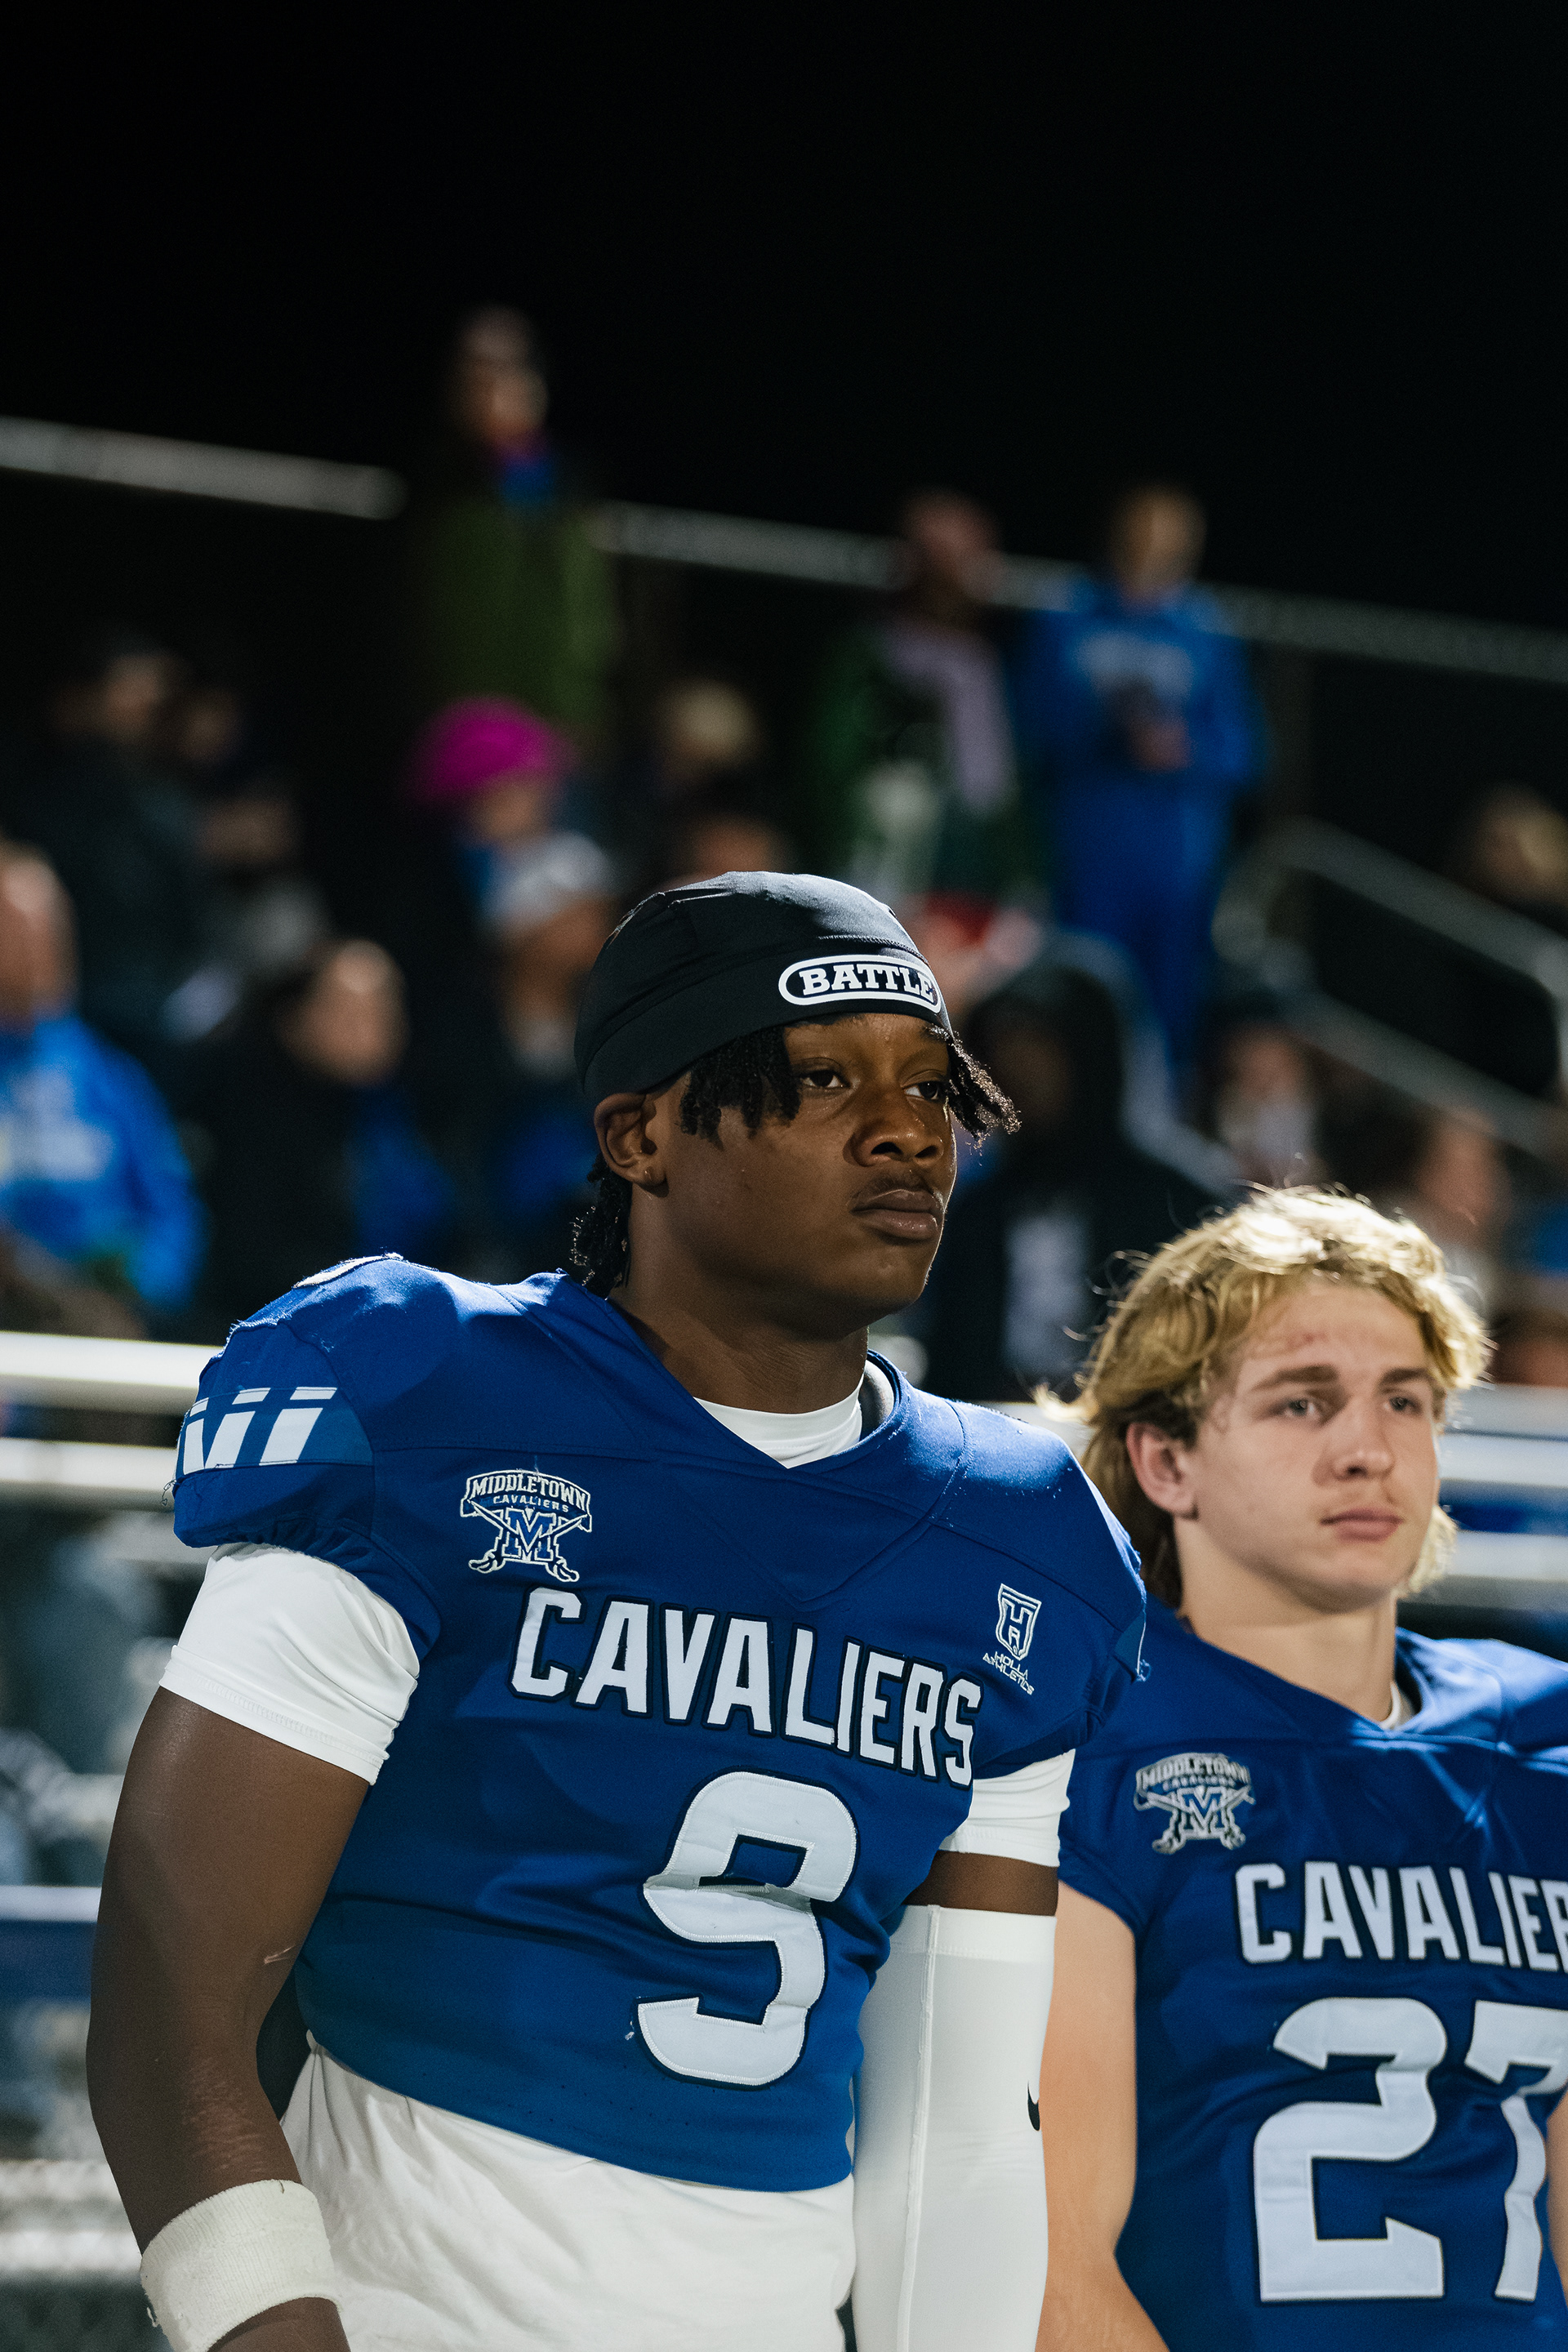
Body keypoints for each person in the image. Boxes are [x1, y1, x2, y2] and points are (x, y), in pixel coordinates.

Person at [88, 872, 1147, 2352]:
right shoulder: (428, 1396)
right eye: (822, 1080)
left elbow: (956, 2130)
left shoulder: (1020, 1538)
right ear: (640, 1135)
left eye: (928, 1085)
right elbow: (168, 2011)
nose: (907, 1132)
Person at [1036, 1187, 1568, 2350]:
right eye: (1302, 1403)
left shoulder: (1545, 1739)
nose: (1369, 1451)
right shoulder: (1086, 1741)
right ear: (1166, 1459)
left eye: (1405, 1401)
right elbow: (1047, 2269)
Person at [1011, 483, 1261, 1064]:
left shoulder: (1207, 630)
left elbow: (1244, 752)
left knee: (1168, 1011)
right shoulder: (1066, 614)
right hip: (1084, 853)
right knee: (1081, 1000)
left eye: (1166, 545)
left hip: (1177, 865)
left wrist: (1185, 749)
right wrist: (1105, 733)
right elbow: (1029, 725)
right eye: (1138, 540)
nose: (1149, 556)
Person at [920, 958, 1220, 1401]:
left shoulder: (1181, 1204)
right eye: (1002, 1047)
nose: (1017, 1067)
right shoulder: (972, 1213)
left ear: (1091, 1056)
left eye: (1040, 1044)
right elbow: (949, 1371)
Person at [189, 940, 455, 1334]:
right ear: (296, 1017)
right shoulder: (250, 1113)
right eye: (350, 1013)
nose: (372, 1030)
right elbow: (251, 1260)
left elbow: (447, 1227)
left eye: (385, 1011)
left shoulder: (405, 1108)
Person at [5, 626, 211, 1090]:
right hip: (65, 1005)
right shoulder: (40, 797)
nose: (140, 708)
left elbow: (191, 918)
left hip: (154, 1006)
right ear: (78, 700)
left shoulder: (167, 803)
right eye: (127, 692)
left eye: (151, 698)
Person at [0, 850, 202, 1320]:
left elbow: (173, 1216)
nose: (35, 947)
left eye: (48, 928)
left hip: (101, 1325)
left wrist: (135, 1279)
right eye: (14, 930)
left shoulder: (111, 1077)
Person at [806, 491, 1033, 907]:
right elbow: (829, 770)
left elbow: (1008, 787)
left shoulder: (992, 662)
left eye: (968, 559)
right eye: (939, 560)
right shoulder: (868, 655)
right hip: (888, 871)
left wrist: (1020, 873)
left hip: (975, 864)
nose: (954, 577)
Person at [412, 307, 617, 742]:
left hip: (557, 718)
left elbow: (585, 614)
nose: (492, 387)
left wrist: (580, 710)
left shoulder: (572, 486)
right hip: (464, 720)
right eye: (475, 374)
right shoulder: (436, 487)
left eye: (507, 369)